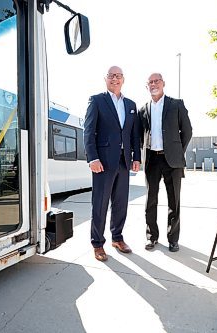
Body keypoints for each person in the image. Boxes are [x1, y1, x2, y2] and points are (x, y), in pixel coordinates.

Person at [83, 66, 141, 261]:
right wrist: (92, 157)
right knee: (99, 204)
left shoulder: (131, 105)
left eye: (118, 76)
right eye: (111, 76)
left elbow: (134, 135)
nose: (115, 79)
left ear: (123, 79)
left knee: (120, 203)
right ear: (105, 79)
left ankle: (117, 238)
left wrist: (136, 157)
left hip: (124, 162)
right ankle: (97, 244)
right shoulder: (97, 100)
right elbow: (88, 131)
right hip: (103, 162)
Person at [137, 73, 192, 252]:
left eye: (157, 81)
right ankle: (151, 237)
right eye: (150, 82)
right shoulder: (143, 109)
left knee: (173, 201)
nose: (154, 84)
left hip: (172, 161)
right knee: (150, 200)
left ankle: (173, 239)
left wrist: (177, 151)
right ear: (147, 86)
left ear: (163, 83)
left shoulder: (176, 104)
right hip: (152, 159)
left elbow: (187, 131)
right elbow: (140, 136)